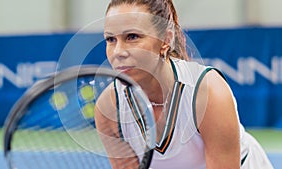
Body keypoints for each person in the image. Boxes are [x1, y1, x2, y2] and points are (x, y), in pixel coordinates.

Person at [95, 0, 274, 168]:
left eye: (132, 36)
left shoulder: (207, 91)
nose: (118, 52)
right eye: (110, 39)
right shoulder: (107, 109)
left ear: (166, 40)